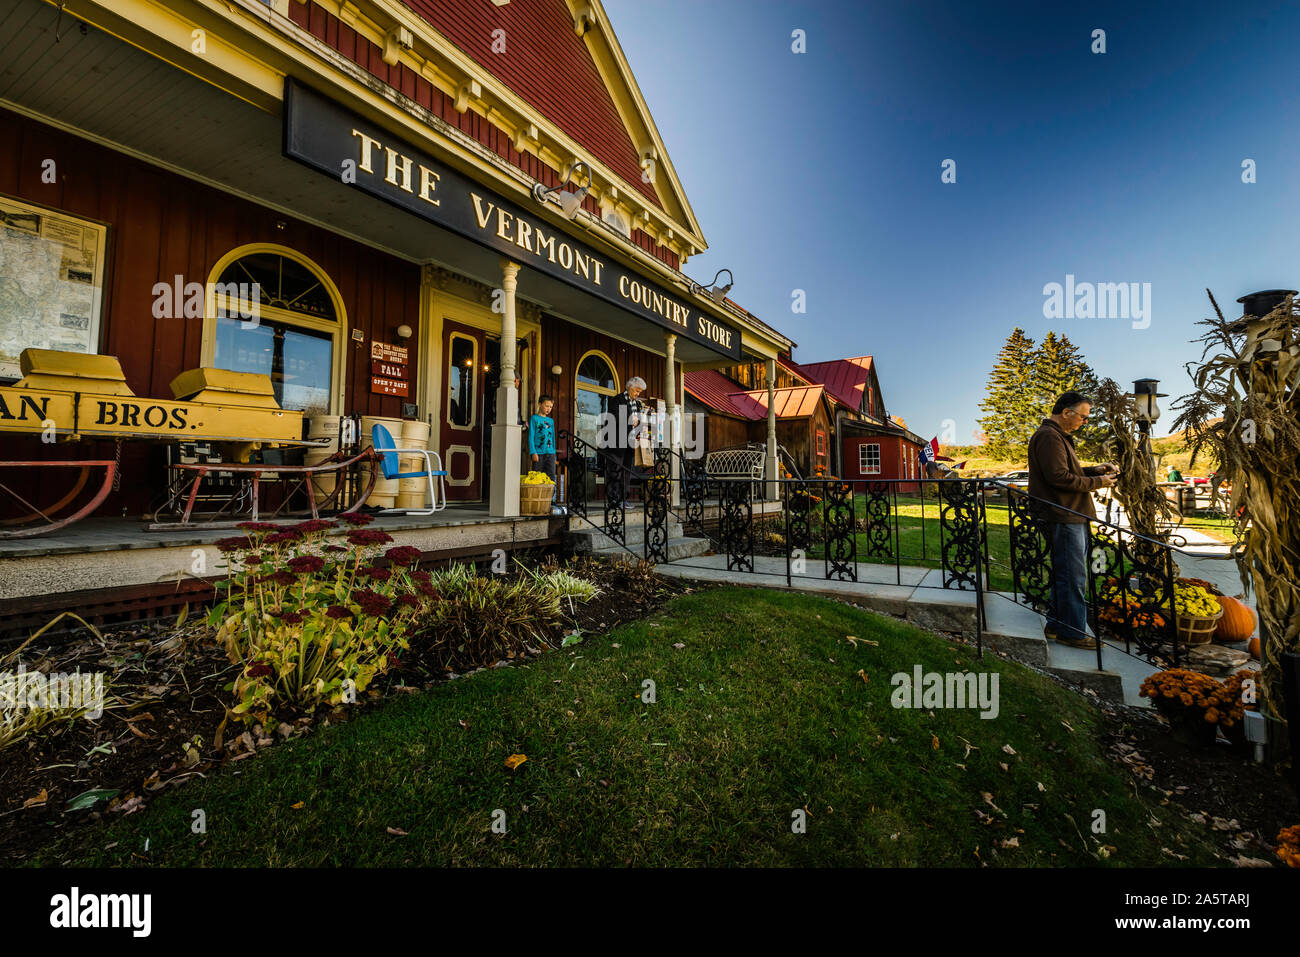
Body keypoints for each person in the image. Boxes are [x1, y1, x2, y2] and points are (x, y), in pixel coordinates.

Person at [1027, 392, 1118, 649]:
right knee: (1073, 575)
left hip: (1069, 513)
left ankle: (1056, 624)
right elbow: (1058, 478)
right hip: (1062, 514)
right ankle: (1074, 632)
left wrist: (1095, 470)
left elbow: (1067, 472)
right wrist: (1098, 482)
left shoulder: (1056, 437)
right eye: (1083, 416)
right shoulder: (1048, 436)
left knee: (1065, 572)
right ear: (1066, 412)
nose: (1084, 422)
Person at [602, 376, 646, 501]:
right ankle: (613, 499)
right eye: (636, 390)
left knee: (627, 471)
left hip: (630, 442)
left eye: (639, 392)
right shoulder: (617, 400)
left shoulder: (637, 404)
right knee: (614, 470)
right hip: (615, 441)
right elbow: (614, 417)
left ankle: (624, 498)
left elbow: (638, 422)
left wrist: (639, 423)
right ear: (630, 387)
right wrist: (631, 420)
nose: (638, 394)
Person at [527, 394, 557, 480]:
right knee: (537, 478)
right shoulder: (534, 418)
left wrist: (554, 453)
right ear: (539, 404)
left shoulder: (551, 421)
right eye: (547, 406)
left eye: (551, 407)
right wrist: (533, 452)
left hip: (550, 454)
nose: (549, 409)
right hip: (538, 454)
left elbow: (552, 438)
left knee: (551, 478)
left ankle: (550, 494)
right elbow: (531, 436)